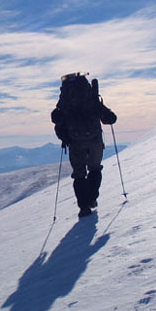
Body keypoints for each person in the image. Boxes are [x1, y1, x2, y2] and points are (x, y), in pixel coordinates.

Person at [51, 73, 117, 217]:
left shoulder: (65, 102)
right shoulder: (91, 97)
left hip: (75, 142)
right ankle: (92, 198)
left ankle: (83, 207)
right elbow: (109, 118)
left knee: (79, 174)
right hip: (94, 140)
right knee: (95, 169)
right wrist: (110, 116)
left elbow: (55, 118)